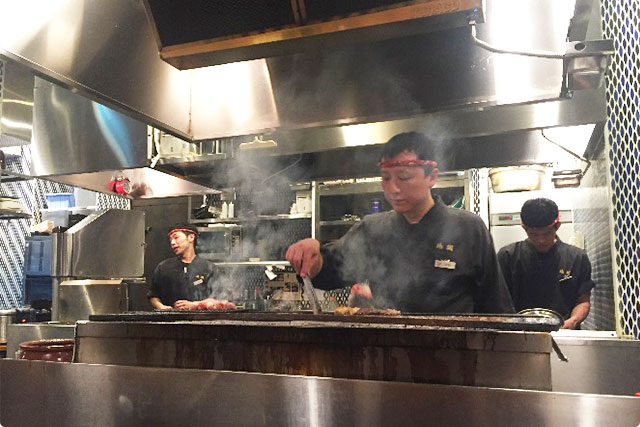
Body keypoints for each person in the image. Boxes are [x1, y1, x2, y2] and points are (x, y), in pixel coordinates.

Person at [286, 132, 514, 313]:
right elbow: (332, 270)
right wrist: (313, 258)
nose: (393, 188)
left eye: (404, 177)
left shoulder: (468, 228)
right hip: (389, 358)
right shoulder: (373, 229)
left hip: (455, 359)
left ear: (432, 176)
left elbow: (496, 306)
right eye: (386, 179)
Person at [497, 198, 595, 329]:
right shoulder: (507, 256)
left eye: (547, 233)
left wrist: (573, 321)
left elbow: (583, 301)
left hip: (565, 334)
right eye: (534, 234)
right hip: (519, 335)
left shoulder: (577, 257)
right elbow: (499, 301)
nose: (541, 240)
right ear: (524, 228)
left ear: (557, 225)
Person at [147, 223, 216, 310]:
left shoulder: (208, 268)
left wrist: (195, 305)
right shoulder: (164, 267)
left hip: (201, 320)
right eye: (171, 239)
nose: (172, 242)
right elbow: (153, 295)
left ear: (191, 237)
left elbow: (219, 297)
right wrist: (162, 307)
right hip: (170, 320)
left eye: (176, 238)